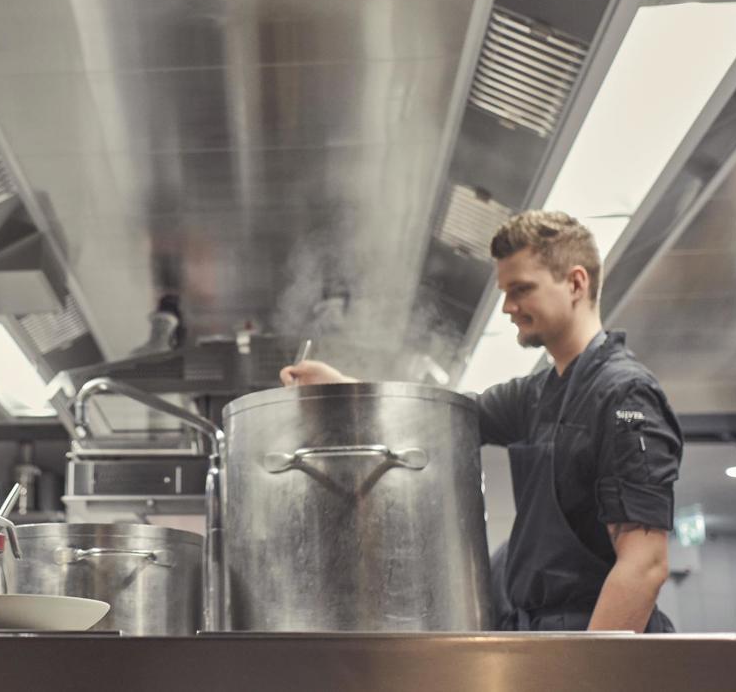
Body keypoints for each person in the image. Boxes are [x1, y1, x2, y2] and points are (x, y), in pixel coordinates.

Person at [281, 210, 682, 632]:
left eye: (521, 289)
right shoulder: (537, 393)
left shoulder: (625, 394)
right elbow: (438, 418)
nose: (508, 307)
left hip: (592, 645)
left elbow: (644, 567)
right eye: (505, 292)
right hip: (543, 639)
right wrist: (340, 389)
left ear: (576, 283)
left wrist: (581, 676)